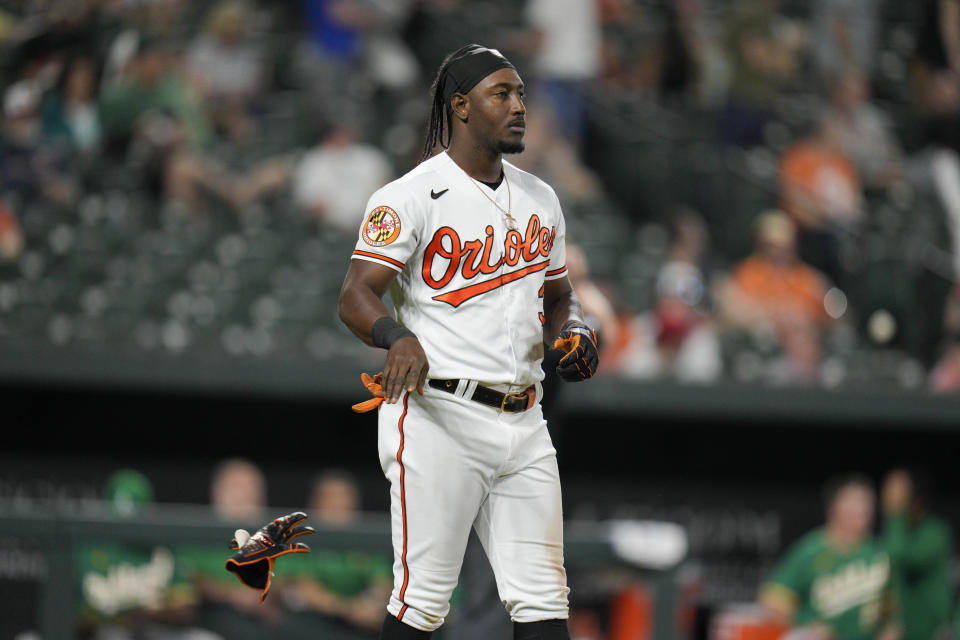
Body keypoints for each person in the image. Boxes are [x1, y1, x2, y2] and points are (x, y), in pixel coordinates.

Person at [337, 44, 599, 639]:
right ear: (460, 106)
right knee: (422, 605)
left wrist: (574, 332)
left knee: (545, 604)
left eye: (522, 95)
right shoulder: (408, 195)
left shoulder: (541, 198)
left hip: (525, 421)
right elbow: (355, 294)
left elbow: (558, 298)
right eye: (501, 94)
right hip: (439, 414)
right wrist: (394, 334)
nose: (519, 106)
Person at [758, 475, 899, 640]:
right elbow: (772, 600)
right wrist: (806, 624)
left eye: (868, 503)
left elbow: (892, 612)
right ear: (833, 507)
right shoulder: (811, 551)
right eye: (855, 502)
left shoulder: (879, 553)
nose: (863, 509)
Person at [717, 211, 831, 383]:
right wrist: (775, 315)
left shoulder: (807, 279)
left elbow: (823, 316)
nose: (777, 251)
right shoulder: (748, 273)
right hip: (754, 350)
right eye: (771, 245)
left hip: (797, 355)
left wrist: (794, 319)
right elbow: (732, 309)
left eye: (783, 245)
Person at [880, 468, 954, 640]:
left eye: (898, 491)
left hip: (929, 632)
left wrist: (896, 514)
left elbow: (902, 558)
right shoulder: (893, 533)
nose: (889, 496)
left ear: (915, 496)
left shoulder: (935, 532)